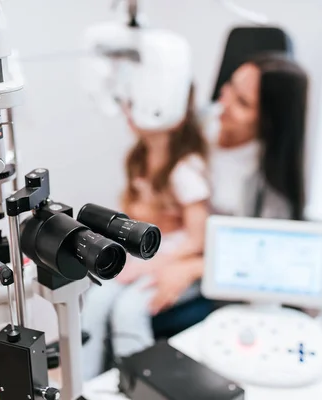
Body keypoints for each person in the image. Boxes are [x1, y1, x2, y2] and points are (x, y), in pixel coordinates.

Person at [143, 52, 309, 317]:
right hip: (172, 241)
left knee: (129, 312)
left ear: (268, 122)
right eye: (231, 85)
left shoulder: (266, 186)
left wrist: (194, 267)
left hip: (215, 269)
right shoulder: (201, 125)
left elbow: (260, 258)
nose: (225, 101)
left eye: (242, 102)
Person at [81, 87, 211, 380]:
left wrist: (151, 265)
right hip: (144, 253)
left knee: (128, 310)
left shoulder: (185, 171)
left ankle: (136, 384)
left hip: (176, 258)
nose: (130, 108)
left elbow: (197, 239)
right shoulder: (139, 159)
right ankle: (85, 382)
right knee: (96, 299)